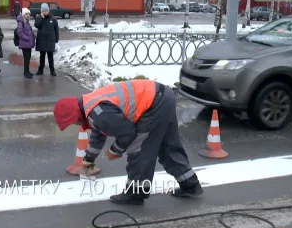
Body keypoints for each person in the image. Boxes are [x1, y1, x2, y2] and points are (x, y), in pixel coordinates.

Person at [53, 79, 203, 205]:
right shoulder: (90, 105)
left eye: (73, 123)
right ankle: (190, 185)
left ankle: (135, 194)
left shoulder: (97, 112)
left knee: (139, 150)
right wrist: (88, 160)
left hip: (153, 103)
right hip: (162, 96)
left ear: (76, 116)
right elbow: (98, 135)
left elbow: (127, 133)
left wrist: (115, 150)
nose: (76, 125)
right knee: (168, 146)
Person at [34, 3, 59, 76]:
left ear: (48, 10)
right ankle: (40, 70)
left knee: (50, 56)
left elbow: (56, 30)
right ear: (41, 11)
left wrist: (56, 39)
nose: (45, 12)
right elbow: (37, 25)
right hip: (42, 41)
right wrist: (42, 18)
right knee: (42, 56)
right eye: (44, 11)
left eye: (46, 11)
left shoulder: (53, 19)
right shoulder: (39, 18)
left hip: (50, 41)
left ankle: (52, 70)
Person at [16, 7, 36, 79]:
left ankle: (27, 71)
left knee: (28, 58)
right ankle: (26, 72)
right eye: (27, 14)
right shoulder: (21, 22)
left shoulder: (26, 22)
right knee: (26, 58)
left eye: (29, 14)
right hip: (25, 44)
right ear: (24, 14)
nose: (28, 15)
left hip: (28, 44)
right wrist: (27, 38)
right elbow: (20, 33)